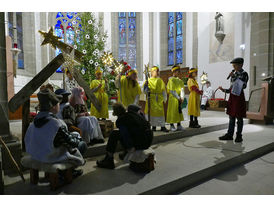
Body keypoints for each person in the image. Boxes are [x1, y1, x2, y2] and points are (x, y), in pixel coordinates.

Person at [24, 88, 87, 177]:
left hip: (36, 154)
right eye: (58, 102)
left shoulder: (34, 122)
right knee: (82, 144)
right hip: (50, 157)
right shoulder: (56, 123)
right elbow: (72, 143)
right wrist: (77, 138)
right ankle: (67, 172)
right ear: (53, 106)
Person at [96, 103, 153, 169]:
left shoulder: (121, 120)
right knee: (128, 132)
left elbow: (125, 134)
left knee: (115, 134)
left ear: (116, 113)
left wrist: (130, 147)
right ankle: (125, 153)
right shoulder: (134, 114)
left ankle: (109, 159)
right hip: (148, 141)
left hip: (141, 144)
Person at [218, 57, 249, 143]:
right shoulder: (234, 73)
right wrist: (224, 90)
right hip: (232, 97)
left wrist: (234, 76)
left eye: (235, 65)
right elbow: (232, 88)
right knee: (231, 117)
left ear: (241, 65)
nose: (233, 67)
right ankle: (229, 134)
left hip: (239, 98)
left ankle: (239, 136)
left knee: (239, 117)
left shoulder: (244, 74)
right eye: (233, 65)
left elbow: (243, 85)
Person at [143, 66, 168, 132]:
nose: (157, 72)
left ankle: (162, 126)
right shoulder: (148, 80)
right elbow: (145, 91)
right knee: (152, 113)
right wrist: (145, 86)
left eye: (157, 71)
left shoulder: (160, 80)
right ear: (152, 72)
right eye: (155, 71)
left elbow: (163, 90)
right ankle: (153, 126)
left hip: (158, 99)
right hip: (151, 98)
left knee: (160, 112)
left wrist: (165, 98)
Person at [166, 65, 185, 132]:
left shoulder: (180, 81)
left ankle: (179, 125)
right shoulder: (171, 80)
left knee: (178, 111)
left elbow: (182, 89)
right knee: (172, 112)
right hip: (173, 98)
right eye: (177, 71)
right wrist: (178, 97)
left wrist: (182, 97)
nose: (178, 72)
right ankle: (171, 125)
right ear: (173, 72)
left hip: (179, 98)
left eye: (179, 71)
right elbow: (172, 90)